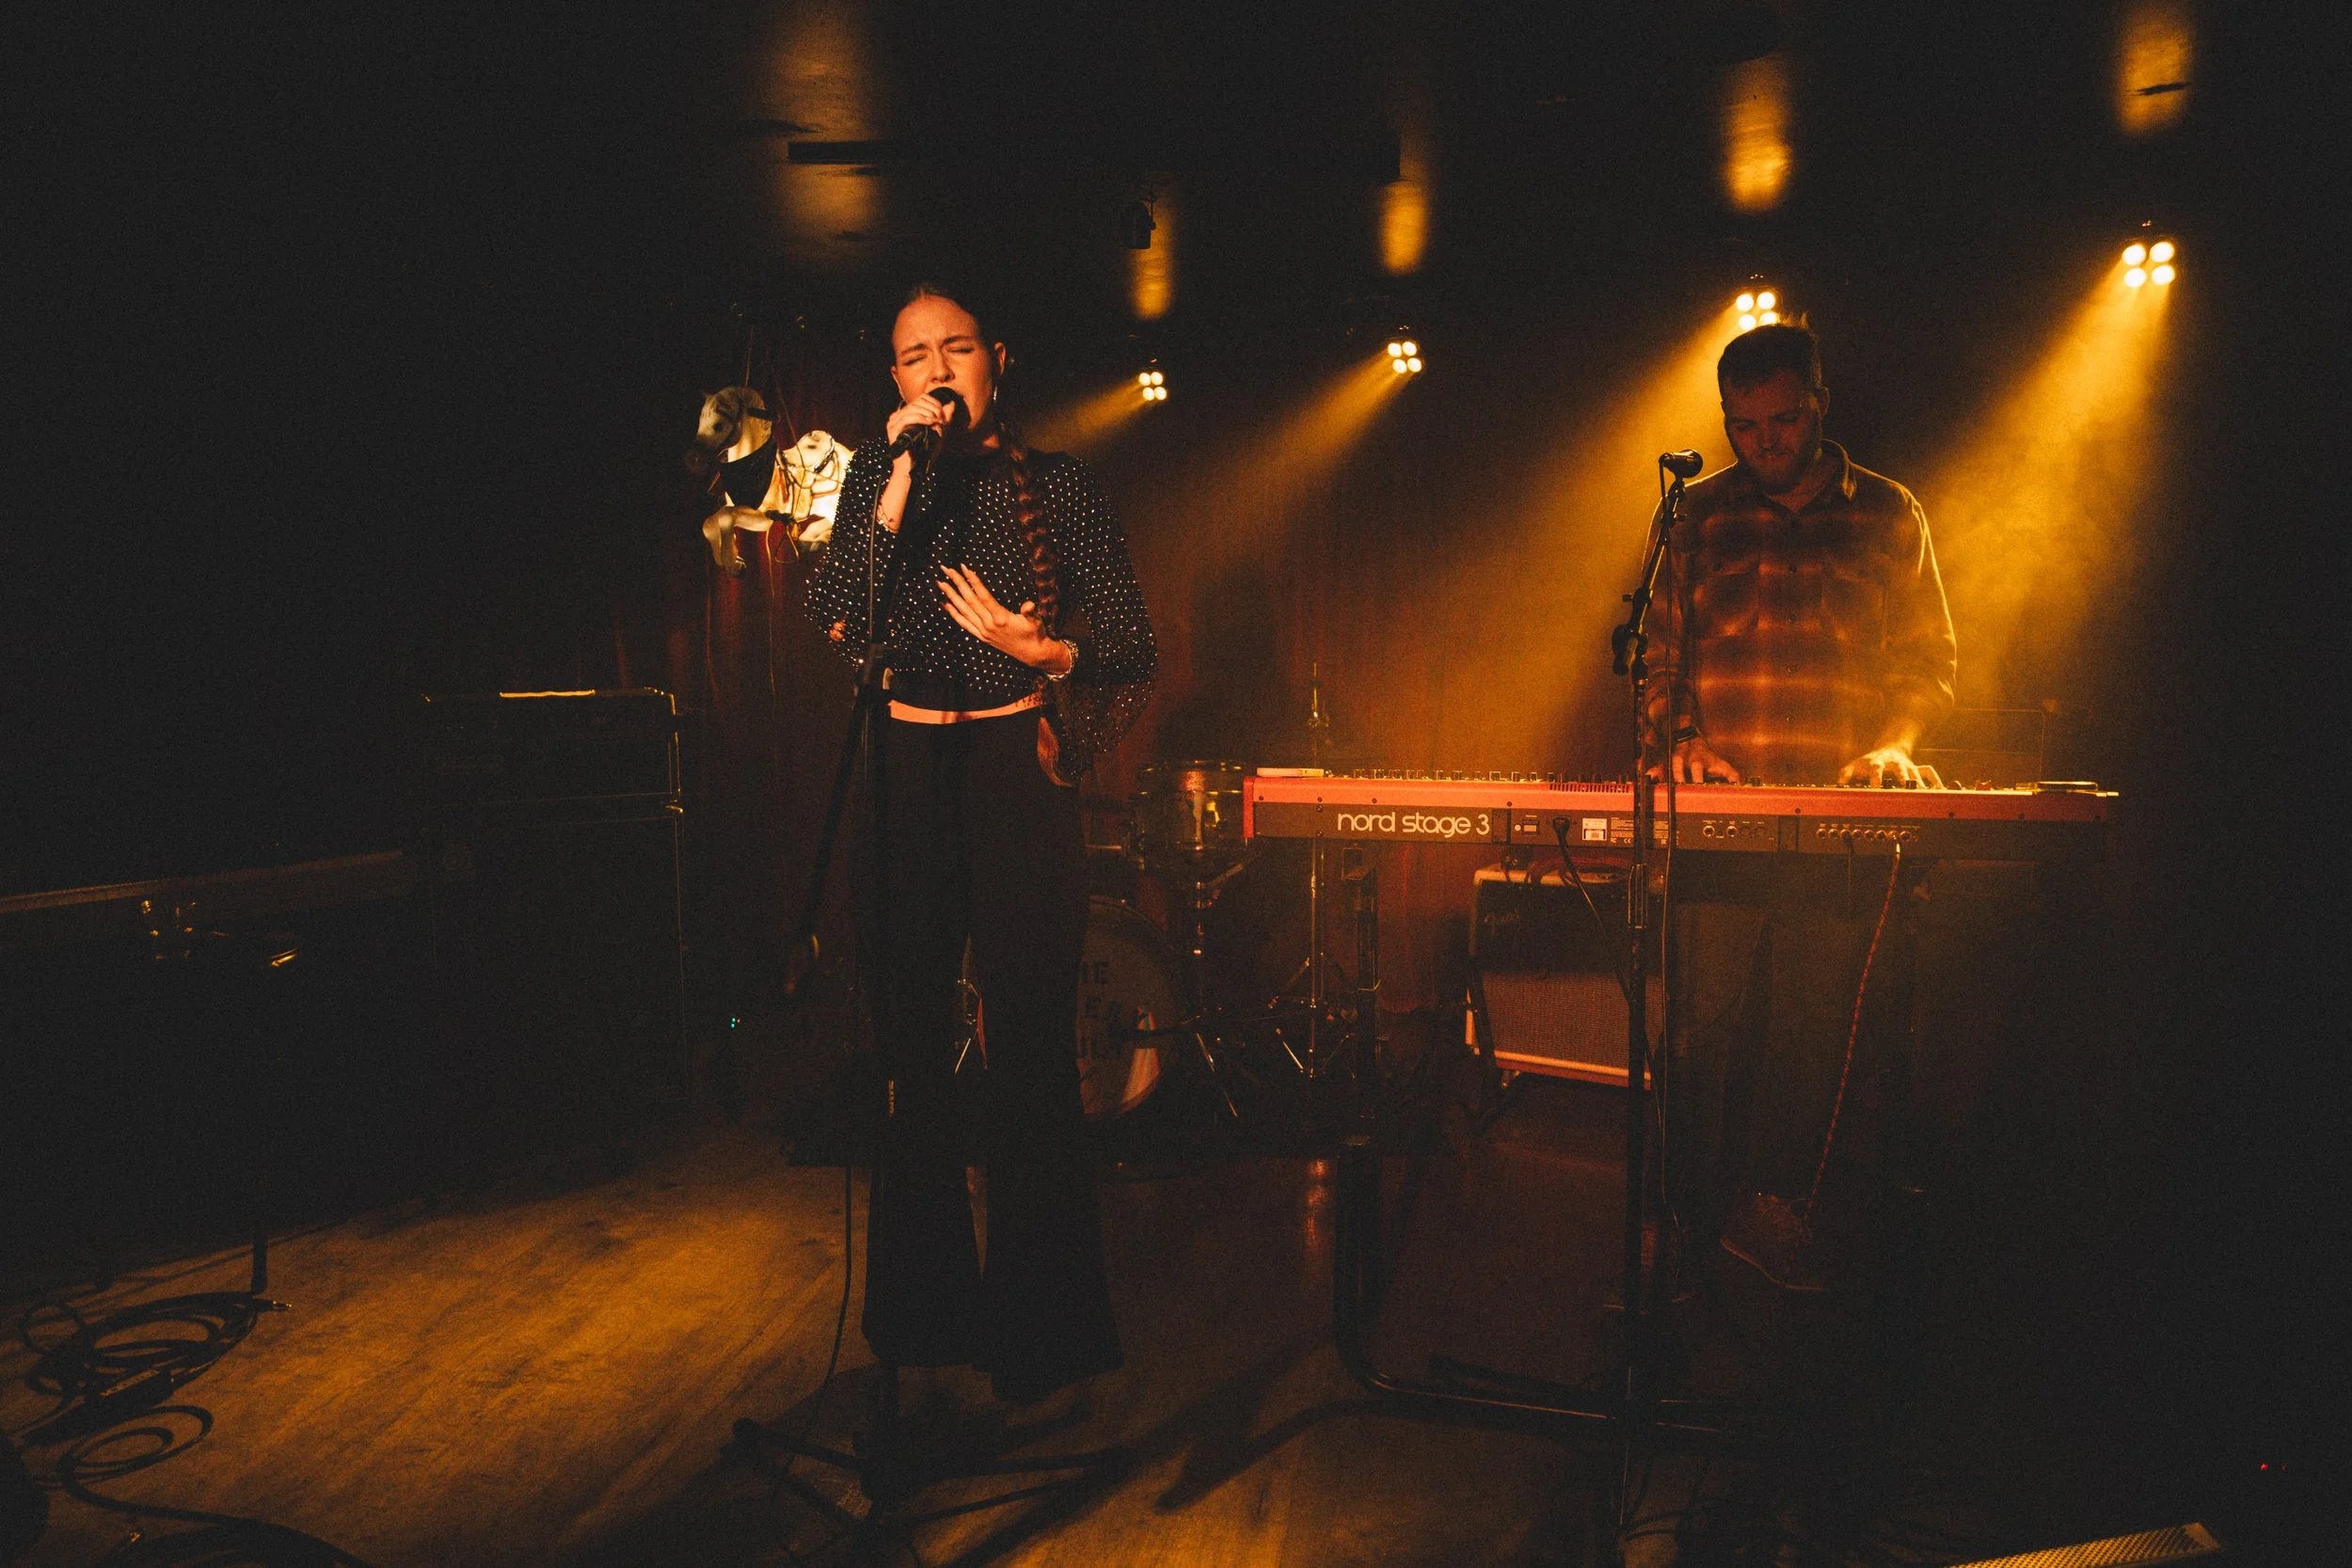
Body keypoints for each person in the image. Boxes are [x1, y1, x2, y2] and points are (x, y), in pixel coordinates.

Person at [807, 283, 1154, 1402]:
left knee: (1031, 1053)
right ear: (896, 381)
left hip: (1013, 768)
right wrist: (897, 484)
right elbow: (839, 619)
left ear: (995, 360)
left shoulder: (1060, 485)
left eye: (956, 348)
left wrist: (1042, 650)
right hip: (905, 772)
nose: (937, 369)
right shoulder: (877, 477)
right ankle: (923, 1314)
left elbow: (1130, 642)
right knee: (910, 1050)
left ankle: (1042, 1328)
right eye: (914, 356)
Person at [1646, 322, 1956, 1292]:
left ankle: (1770, 1215)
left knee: (1810, 1033)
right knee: (1697, 1028)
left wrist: (1897, 742)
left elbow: (1927, 664)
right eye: (1744, 427)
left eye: (1782, 422)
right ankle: (1682, 1219)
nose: (1764, 443)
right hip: (1719, 826)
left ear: (1818, 404)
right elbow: (1653, 659)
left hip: (1839, 825)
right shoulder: (1693, 518)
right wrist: (1681, 739)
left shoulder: (1890, 512)